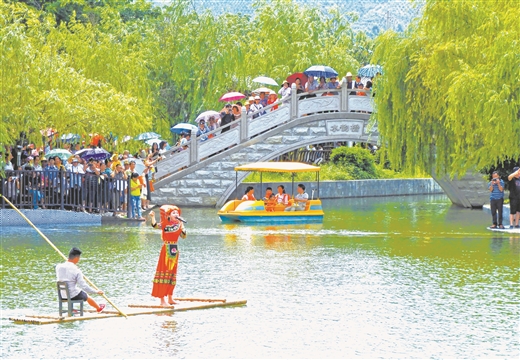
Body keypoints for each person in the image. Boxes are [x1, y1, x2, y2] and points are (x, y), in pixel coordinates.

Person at [149, 206, 187, 307]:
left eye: (177, 213)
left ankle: (170, 297)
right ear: (169, 215)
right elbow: (154, 225)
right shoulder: (165, 224)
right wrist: (153, 217)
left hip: (174, 249)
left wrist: (182, 226)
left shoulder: (179, 224)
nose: (176, 214)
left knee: (172, 273)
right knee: (164, 272)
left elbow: (183, 236)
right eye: (174, 213)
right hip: (166, 249)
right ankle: (162, 300)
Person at [55, 247, 105, 313]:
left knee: (72, 290)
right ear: (76, 258)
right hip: (73, 295)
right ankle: (98, 308)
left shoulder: (58, 267)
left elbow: (65, 268)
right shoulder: (76, 270)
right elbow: (84, 286)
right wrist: (96, 291)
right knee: (86, 296)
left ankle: (72, 309)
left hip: (62, 295)